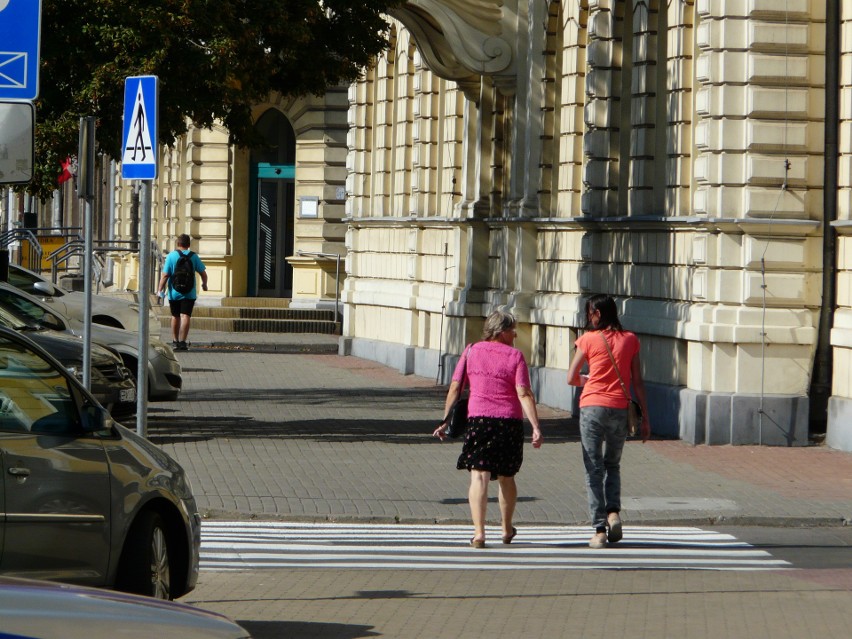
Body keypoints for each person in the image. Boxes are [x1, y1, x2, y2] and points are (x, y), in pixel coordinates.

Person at [433, 311, 543, 548]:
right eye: (513, 329)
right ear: (501, 331)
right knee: (506, 476)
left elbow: (455, 387)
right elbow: (523, 393)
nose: (515, 334)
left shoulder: (471, 351)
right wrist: (535, 426)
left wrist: (445, 420)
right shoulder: (515, 356)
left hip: (479, 421)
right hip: (508, 423)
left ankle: (479, 533)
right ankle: (505, 529)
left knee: (479, 475)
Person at [566, 294, 650, 549]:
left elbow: (571, 377)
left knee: (594, 469)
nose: (589, 317)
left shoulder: (588, 339)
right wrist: (646, 418)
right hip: (619, 408)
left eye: (590, 313)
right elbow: (637, 382)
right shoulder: (630, 339)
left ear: (597, 314)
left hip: (592, 407)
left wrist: (588, 380)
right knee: (612, 464)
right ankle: (613, 512)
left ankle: (599, 529)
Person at [157, 233, 208, 351]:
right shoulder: (194, 257)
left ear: (178, 244)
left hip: (174, 292)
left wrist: (160, 289)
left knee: (175, 316)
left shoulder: (171, 256)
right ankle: (183, 342)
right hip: (189, 292)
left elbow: (165, 275)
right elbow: (203, 273)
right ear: (188, 245)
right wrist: (204, 284)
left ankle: (175, 341)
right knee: (186, 316)